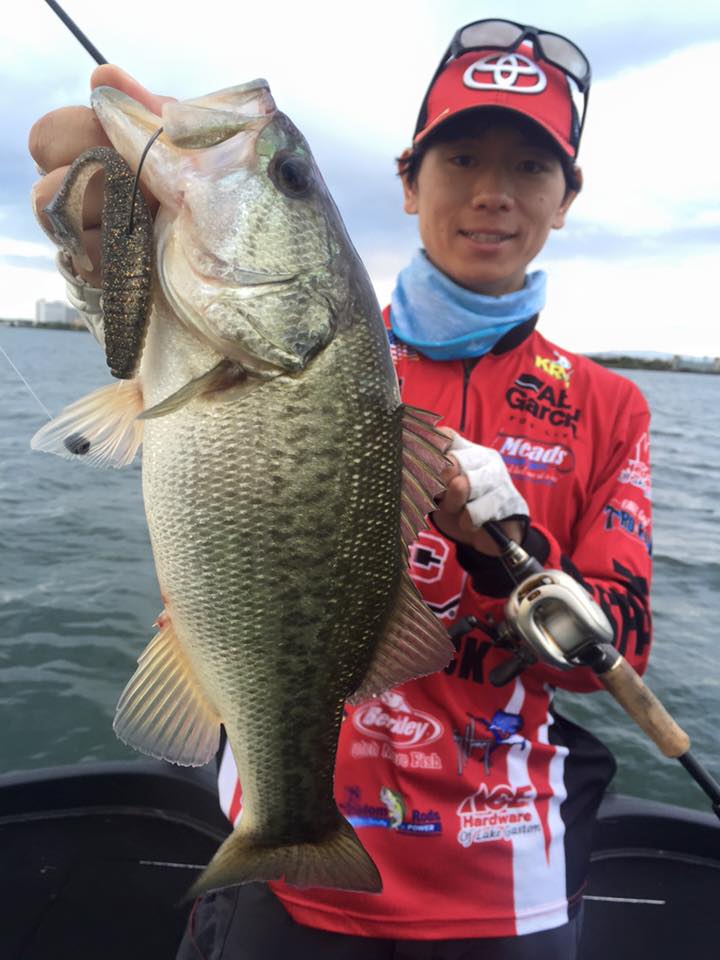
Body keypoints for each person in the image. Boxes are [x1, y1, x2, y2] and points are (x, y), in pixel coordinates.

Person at [29, 18, 653, 960]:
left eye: (530, 167)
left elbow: (619, 651)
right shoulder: (313, 336)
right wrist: (113, 284)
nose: (492, 192)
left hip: (504, 879)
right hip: (282, 870)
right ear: (406, 181)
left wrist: (509, 558)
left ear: (566, 198)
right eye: (462, 158)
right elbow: (166, 378)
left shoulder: (610, 407)